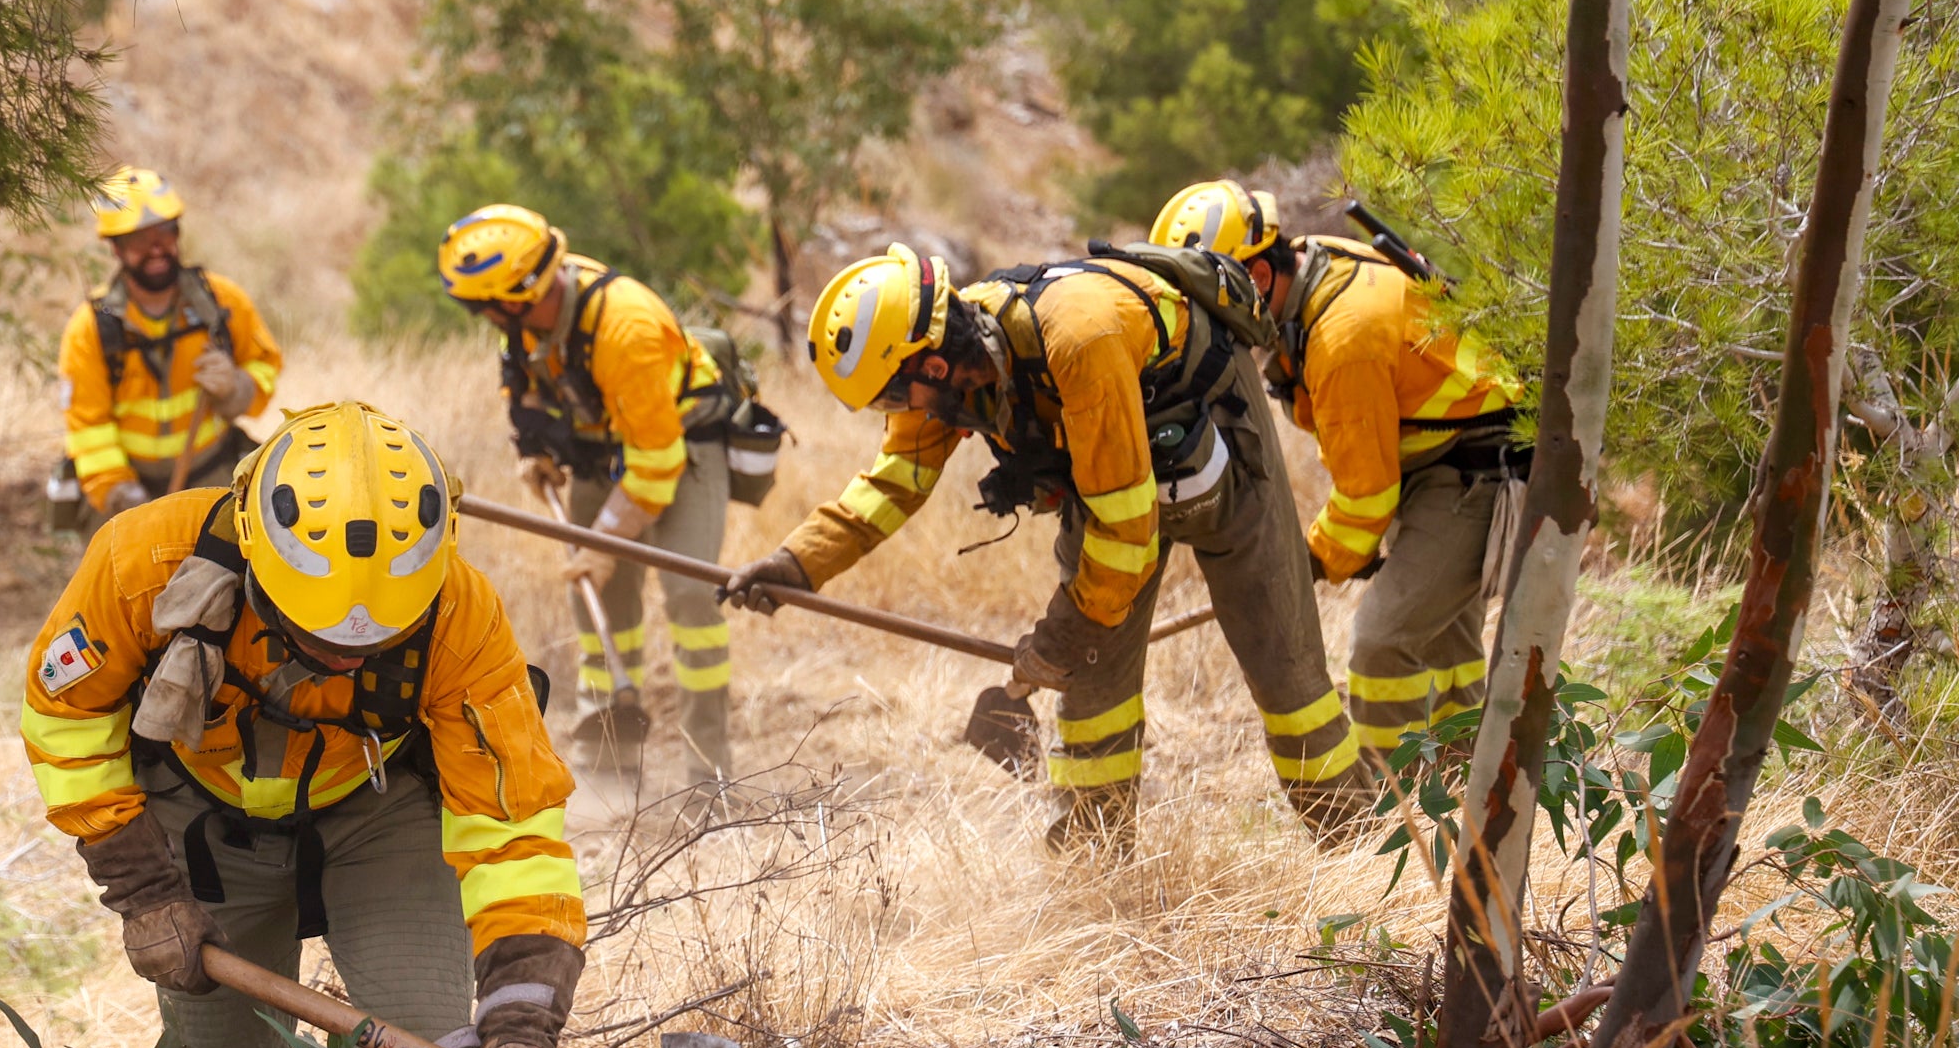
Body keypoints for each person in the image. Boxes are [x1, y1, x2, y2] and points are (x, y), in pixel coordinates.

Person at [19, 400, 584, 1048]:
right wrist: (142, 886)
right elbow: (63, 715)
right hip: (205, 823)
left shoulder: (459, 615)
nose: (340, 656)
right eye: (317, 636)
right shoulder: (142, 558)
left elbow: (513, 824)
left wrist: (523, 1018)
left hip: (379, 815)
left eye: (367, 646)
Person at [724, 243, 1372, 852]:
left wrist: (1060, 635)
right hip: (1110, 474)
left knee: (1287, 674)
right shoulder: (937, 369)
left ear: (933, 363)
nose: (895, 410)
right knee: (1093, 685)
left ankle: (1352, 840)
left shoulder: (1079, 340)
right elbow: (894, 483)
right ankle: (1097, 857)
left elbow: (1125, 532)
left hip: (1220, 448)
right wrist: (797, 563)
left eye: (893, 395)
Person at [1150, 181, 1528, 758]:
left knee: (1383, 645)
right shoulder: (1316, 264)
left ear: (1256, 277)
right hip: (1436, 463)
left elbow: (1366, 499)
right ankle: (1465, 785)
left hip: (1476, 472)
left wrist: (1307, 562)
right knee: (1443, 650)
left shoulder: (1343, 336)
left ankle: (1394, 807)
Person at [435, 203, 739, 783]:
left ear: (516, 295)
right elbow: (524, 385)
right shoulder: (527, 320)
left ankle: (710, 778)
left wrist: (603, 541)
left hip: (680, 451)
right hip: (602, 456)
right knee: (599, 608)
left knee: (692, 599)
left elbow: (657, 462)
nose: (484, 318)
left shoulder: (625, 327)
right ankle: (607, 765)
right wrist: (537, 452)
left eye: (485, 307)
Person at [56, 167, 284, 518]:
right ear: (115, 248)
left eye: (164, 232)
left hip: (214, 477)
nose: (156, 248)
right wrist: (123, 498)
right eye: (138, 239)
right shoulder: (89, 330)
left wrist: (235, 387)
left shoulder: (223, 304)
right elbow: (89, 430)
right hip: (129, 489)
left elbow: (266, 368)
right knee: (121, 571)